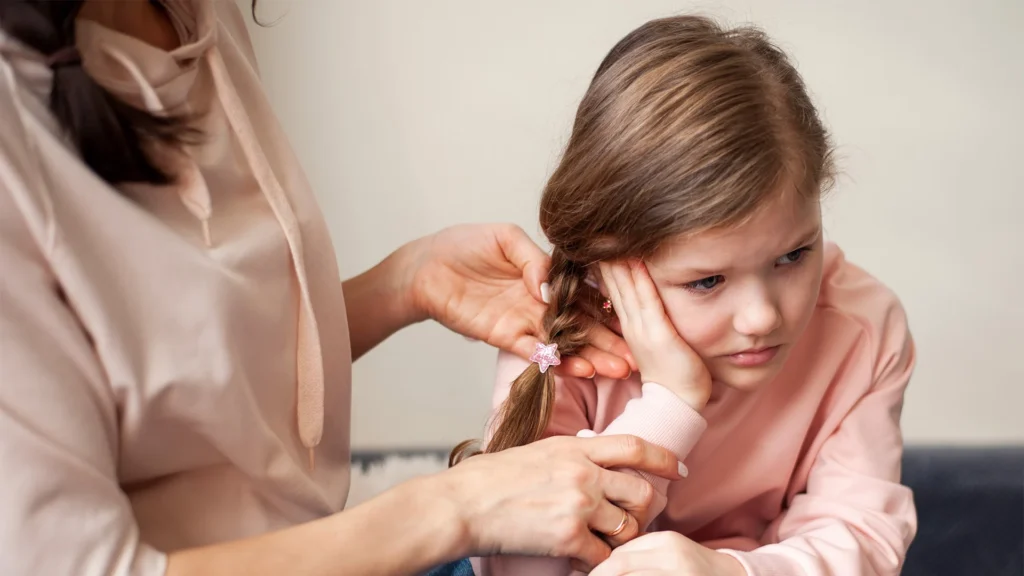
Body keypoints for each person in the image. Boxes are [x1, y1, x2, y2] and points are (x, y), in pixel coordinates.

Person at [0, 2, 690, 575]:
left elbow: (178, 384)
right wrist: (457, 507)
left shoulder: (195, 16)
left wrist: (400, 285)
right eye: (708, 280)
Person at [451, 15, 918, 576]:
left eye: (794, 256)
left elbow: (860, 535)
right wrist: (671, 402)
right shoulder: (563, 337)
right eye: (706, 281)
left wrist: (727, 571)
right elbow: (521, 571)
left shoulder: (863, 327)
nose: (761, 317)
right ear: (609, 263)